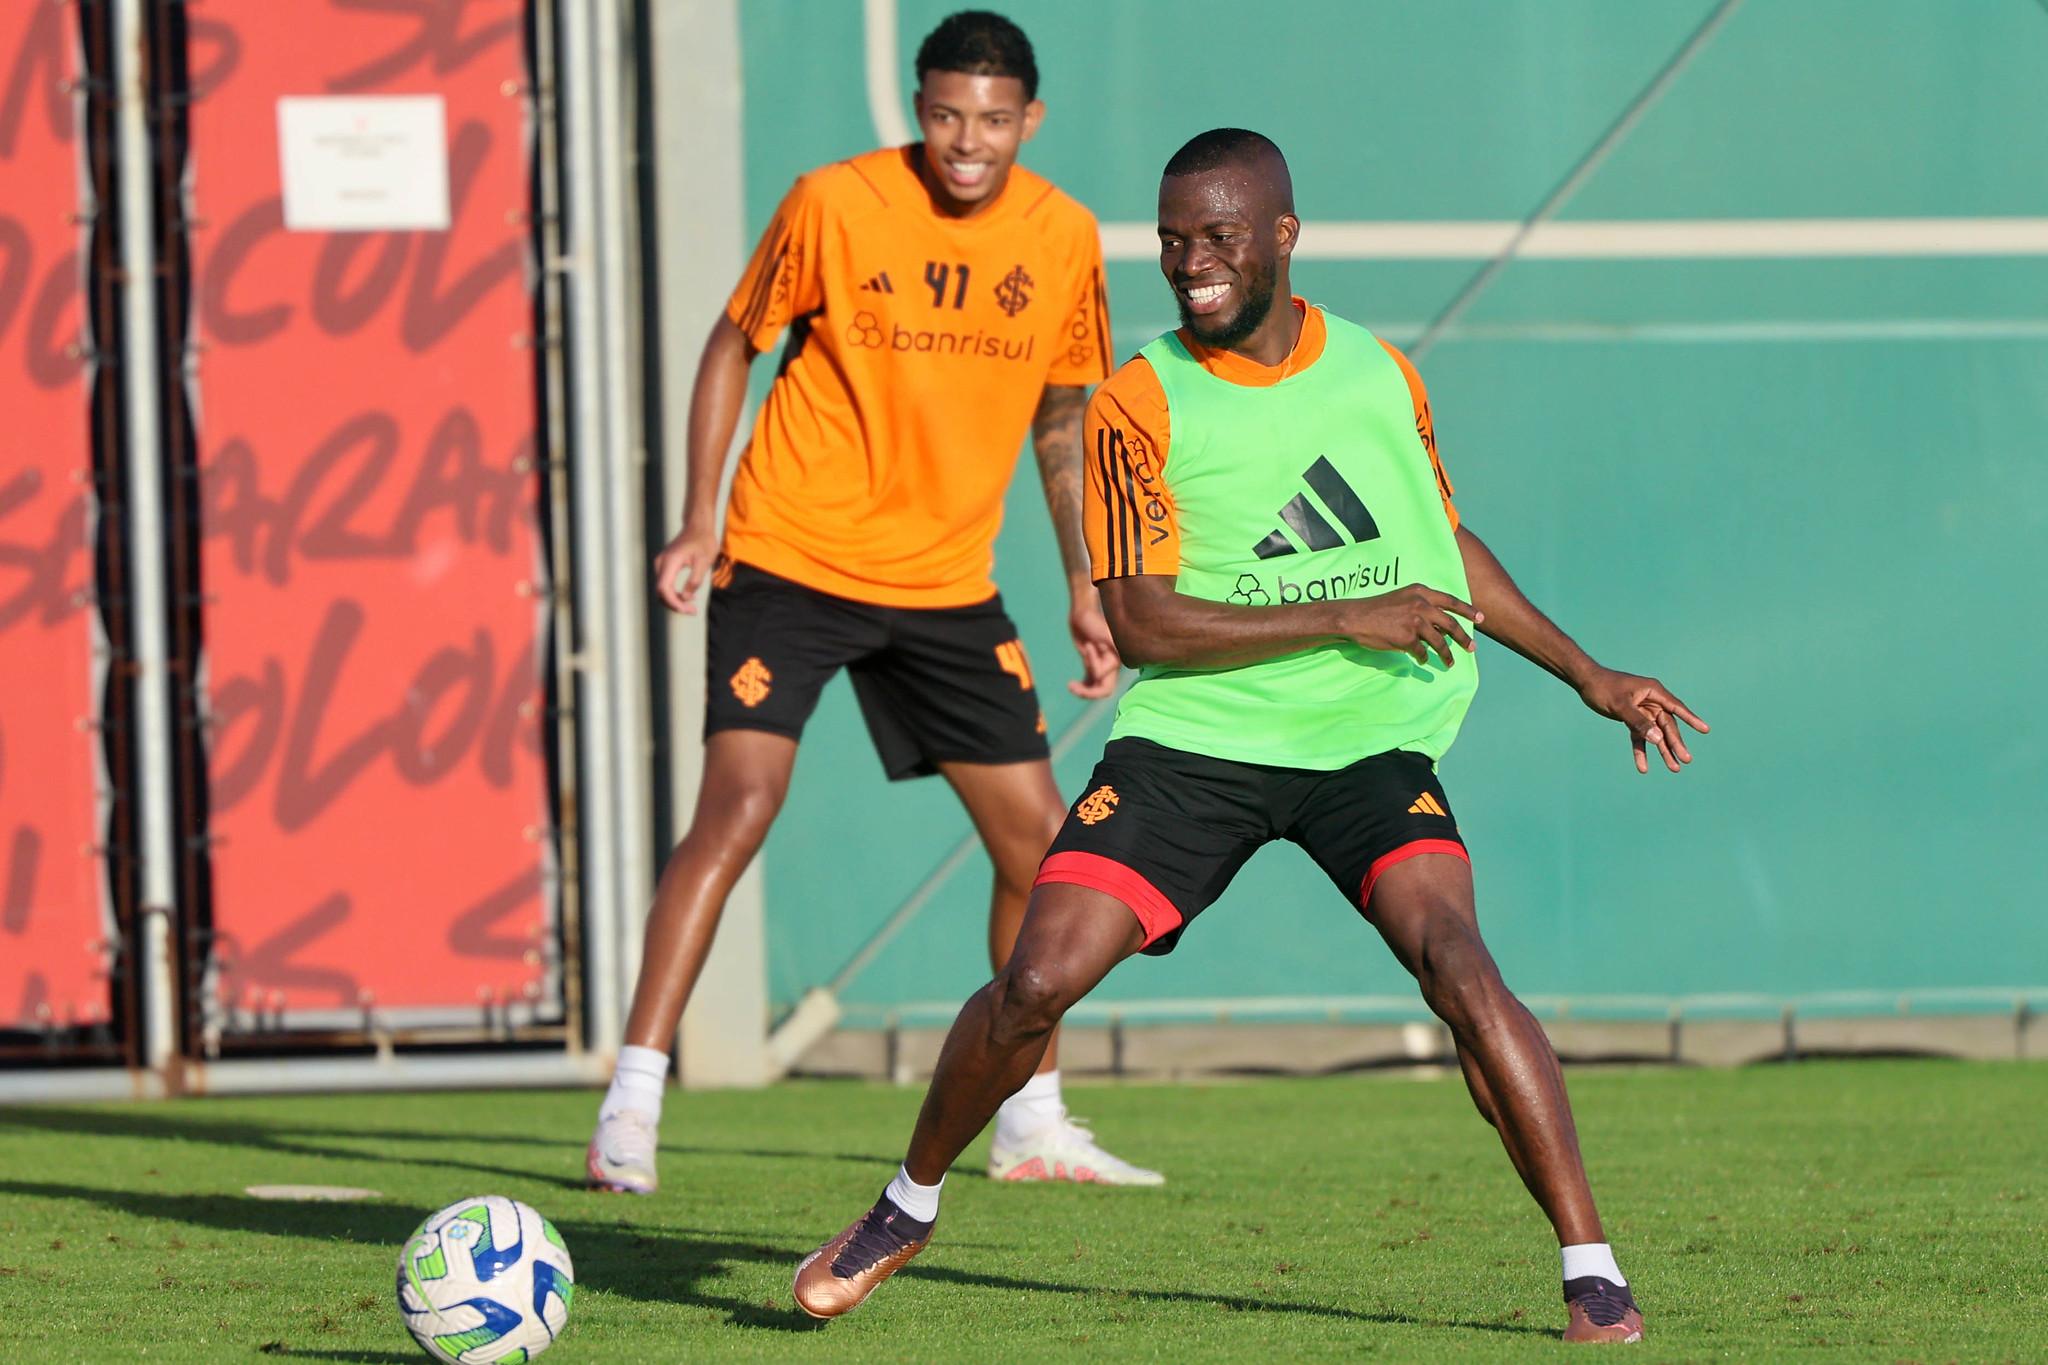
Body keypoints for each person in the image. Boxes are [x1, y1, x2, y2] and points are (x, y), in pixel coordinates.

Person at [791, 128, 1709, 1344]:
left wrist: (1587, 674)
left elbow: (1444, 554)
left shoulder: (1377, 374)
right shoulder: (1136, 400)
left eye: (1217, 237)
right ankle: (905, 1207)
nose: (1190, 263)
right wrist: (1342, 608)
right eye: (1172, 240)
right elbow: (1145, 620)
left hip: (1364, 750)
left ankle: (1591, 1270)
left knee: (1459, 967)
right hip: (1192, 750)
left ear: (1282, 234)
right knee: (1034, 983)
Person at [585, 11, 1161, 1196]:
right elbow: (730, 343)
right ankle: (630, 1105)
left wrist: (1084, 586)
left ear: (1028, 121)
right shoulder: (832, 202)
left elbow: (1064, 418)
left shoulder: (1059, 238)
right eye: (946, 114)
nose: (967, 141)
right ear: (918, 106)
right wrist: (700, 516)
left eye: (992, 120)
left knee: (1047, 846)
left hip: (947, 585)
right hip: (789, 554)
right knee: (739, 809)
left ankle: (1029, 1120)